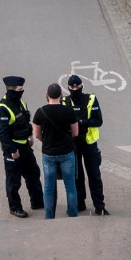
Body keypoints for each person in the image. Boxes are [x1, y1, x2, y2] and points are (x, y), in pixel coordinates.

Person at [0, 76, 44, 218]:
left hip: (25, 146)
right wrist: (12, 151)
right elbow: (2, 134)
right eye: (19, 89)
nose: (21, 91)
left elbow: (25, 121)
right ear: (10, 89)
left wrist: (29, 136)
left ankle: (37, 202)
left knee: (33, 173)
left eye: (22, 89)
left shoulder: (20, 102)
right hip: (13, 148)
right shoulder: (2, 108)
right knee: (13, 181)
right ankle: (15, 207)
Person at [62, 75, 109, 215]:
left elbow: (98, 121)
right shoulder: (64, 102)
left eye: (77, 87)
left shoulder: (91, 99)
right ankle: (80, 203)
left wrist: (82, 123)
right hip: (73, 145)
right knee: (77, 176)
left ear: (82, 86)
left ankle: (99, 206)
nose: (75, 89)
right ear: (68, 88)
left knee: (94, 176)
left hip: (89, 144)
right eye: (72, 87)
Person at [32, 83, 79, 219]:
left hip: (49, 154)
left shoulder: (40, 112)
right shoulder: (68, 111)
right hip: (66, 152)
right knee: (70, 185)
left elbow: (37, 134)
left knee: (48, 186)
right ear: (61, 95)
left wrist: (46, 141)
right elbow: (75, 133)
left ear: (47, 95)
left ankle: (49, 216)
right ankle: (73, 214)